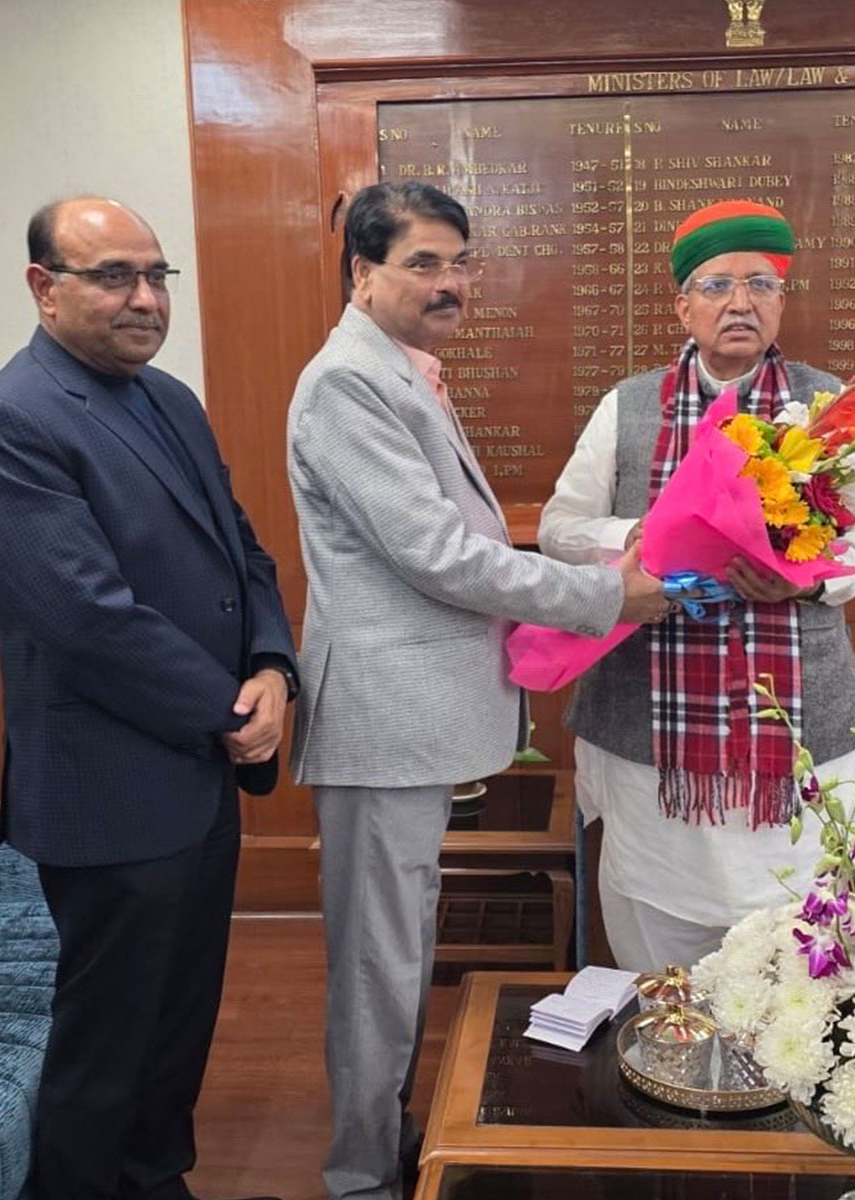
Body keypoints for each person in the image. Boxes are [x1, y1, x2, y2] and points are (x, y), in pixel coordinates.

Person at [286, 180, 668, 1200]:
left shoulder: (402, 371)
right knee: (378, 964)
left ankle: (390, 1142)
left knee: (398, 954)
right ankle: (363, 1178)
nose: (450, 284)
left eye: (459, 263)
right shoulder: (345, 385)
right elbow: (440, 557)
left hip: (417, 715)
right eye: (422, 263)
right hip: (382, 719)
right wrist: (606, 595)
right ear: (360, 272)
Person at [0, 196, 296, 1200]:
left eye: (155, 276)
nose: (143, 298)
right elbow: (87, 618)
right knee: (107, 1041)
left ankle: (156, 1180)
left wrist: (273, 667)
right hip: (109, 788)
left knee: (178, 1018)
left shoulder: (168, 398)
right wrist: (233, 714)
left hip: (198, 767)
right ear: (42, 288)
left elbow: (245, 551)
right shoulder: (9, 419)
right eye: (112, 277)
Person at [538, 199, 855, 973]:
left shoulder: (831, 405)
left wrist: (807, 584)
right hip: (650, 723)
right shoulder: (628, 405)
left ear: (781, 301)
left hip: (800, 719)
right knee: (656, 936)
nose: (740, 303)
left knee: (801, 938)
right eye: (717, 285)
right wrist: (629, 539)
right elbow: (560, 526)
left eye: (760, 284)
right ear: (683, 304)